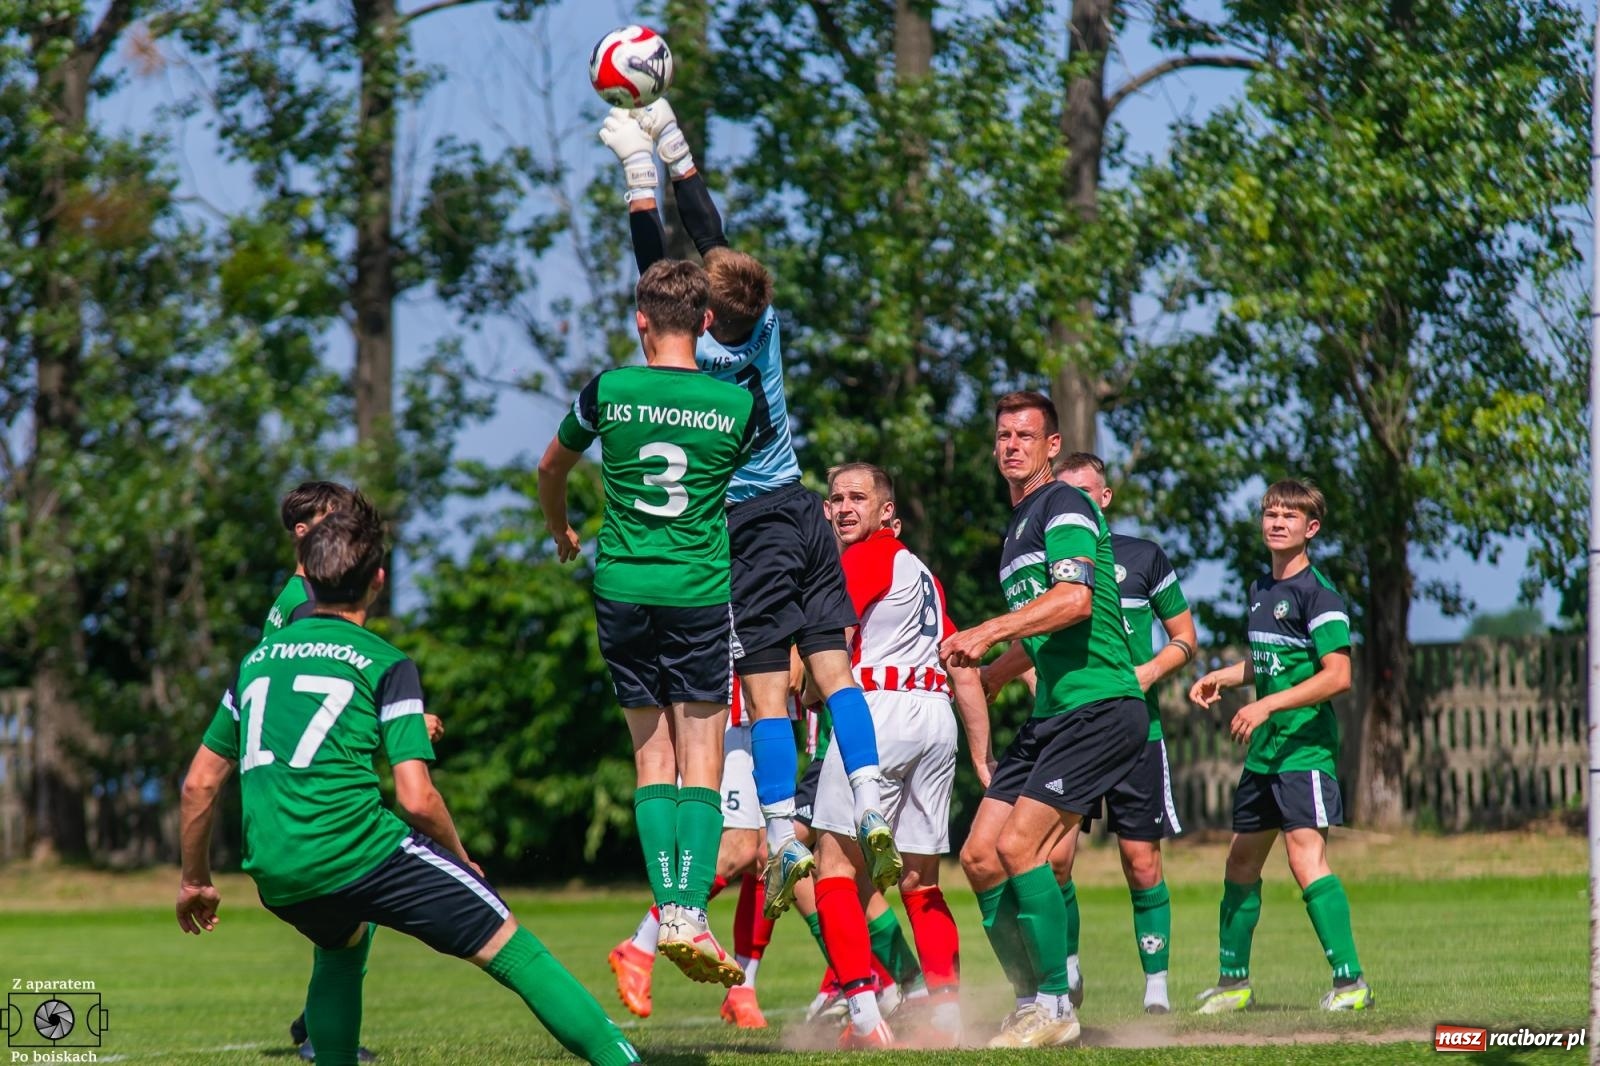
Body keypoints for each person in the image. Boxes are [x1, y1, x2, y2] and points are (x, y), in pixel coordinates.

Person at [175, 496, 640, 1066]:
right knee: (514, 948)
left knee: (340, 949)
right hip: (360, 851)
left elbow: (199, 783)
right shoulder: (383, 661)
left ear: (309, 574)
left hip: (276, 869)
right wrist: (460, 856)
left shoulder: (256, 662)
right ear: (378, 580)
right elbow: (416, 798)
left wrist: (195, 879)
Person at [599, 102, 899, 916]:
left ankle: (779, 833)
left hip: (748, 527)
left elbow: (657, 278)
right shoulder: (761, 328)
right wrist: (674, 151)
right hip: (801, 506)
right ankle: (871, 801)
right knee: (834, 669)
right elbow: (714, 243)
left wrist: (638, 183)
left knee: (767, 693)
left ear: (696, 321)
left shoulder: (691, 360)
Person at [539, 258, 755, 988]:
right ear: (704, 322)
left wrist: (562, 530)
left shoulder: (609, 392)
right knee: (703, 759)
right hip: (695, 589)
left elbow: (550, 468)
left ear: (639, 320)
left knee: (650, 759)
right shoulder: (735, 406)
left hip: (622, 587)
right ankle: (687, 912)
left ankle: (668, 911)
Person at [942, 391, 1147, 1049]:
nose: (1011, 445)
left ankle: (1057, 1005)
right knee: (978, 856)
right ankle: (1031, 998)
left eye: (1025, 435)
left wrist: (989, 629)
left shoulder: (1063, 504)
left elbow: (1075, 600)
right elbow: (1041, 633)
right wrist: (995, 676)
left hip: (1101, 706)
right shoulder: (1016, 528)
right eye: (1002, 435)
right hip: (1053, 713)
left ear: (1052, 445)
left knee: (1018, 848)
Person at [982, 452, 1197, 1014]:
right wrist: (994, 676)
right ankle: (1062, 977)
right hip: (1066, 718)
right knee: (1045, 859)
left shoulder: (1142, 557)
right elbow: (1037, 639)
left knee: (1140, 860)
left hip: (1127, 721)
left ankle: (1154, 992)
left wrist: (1145, 673)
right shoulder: (1045, 549)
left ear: (1102, 499)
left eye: (1083, 492)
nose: (1069, 503)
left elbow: (1185, 638)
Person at [802, 463, 993, 1047]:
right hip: (934, 722)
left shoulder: (863, 559)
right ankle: (946, 1019)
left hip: (880, 712)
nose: (842, 507)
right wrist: (982, 756)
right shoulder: (924, 576)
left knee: (834, 866)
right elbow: (962, 666)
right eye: (835, 498)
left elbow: (820, 644)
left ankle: (865, 1020)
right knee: (920, 880)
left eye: (858, 497)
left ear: (888, 511)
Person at [1189, 479, 1372, 1013]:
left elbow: (1337, 676)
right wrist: (1227, 677)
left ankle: (1351, 982)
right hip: (1265, 753)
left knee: (1303, 857)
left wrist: (1267, 705)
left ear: (1310, 529)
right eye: (1270, 513)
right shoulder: (1261, 591)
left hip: (1304, 751)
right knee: (1241, 861)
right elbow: (1272, 664)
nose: (1276, 523)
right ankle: (1233, 984)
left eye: (1289, 517)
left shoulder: (1321, 596)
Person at [606, 676, 778, 1027]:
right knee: (741, 847)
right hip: (728, 715)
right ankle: (640, 946)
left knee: (765, 853)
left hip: (760, 715)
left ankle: (744, 987)